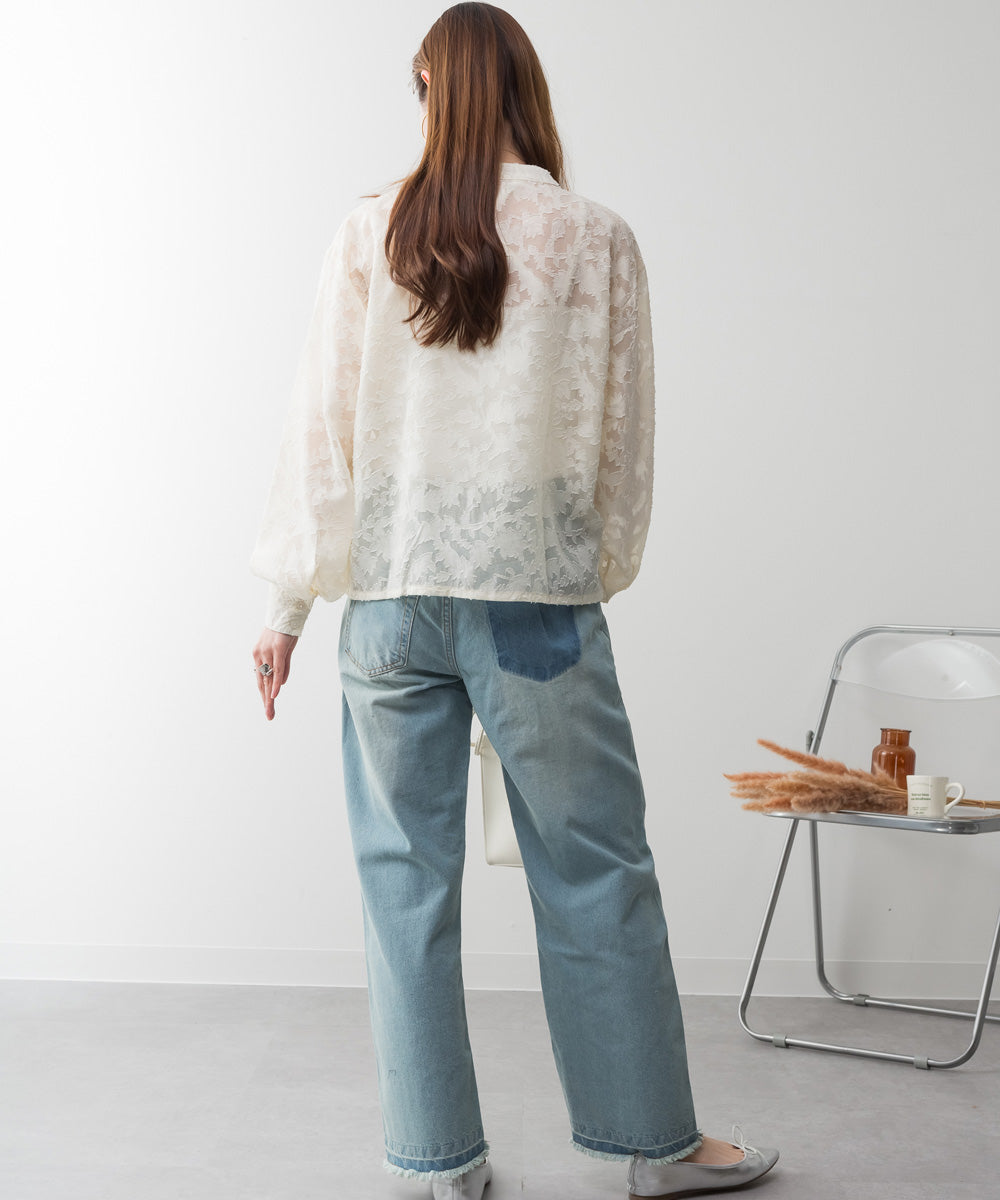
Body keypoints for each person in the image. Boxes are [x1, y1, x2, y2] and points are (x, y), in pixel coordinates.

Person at [250, 5, 778, 1198]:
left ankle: (437, 1168)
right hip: (532, 595)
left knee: (402, 887)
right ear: (525, 89)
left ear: (429, 85)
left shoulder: (368, 231)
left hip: (386, 599)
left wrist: (287, 604)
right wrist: (594, 571)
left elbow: (319, 425)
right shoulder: (593, 237)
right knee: (595, 869)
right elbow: (618, 435)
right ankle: (651, 1147)